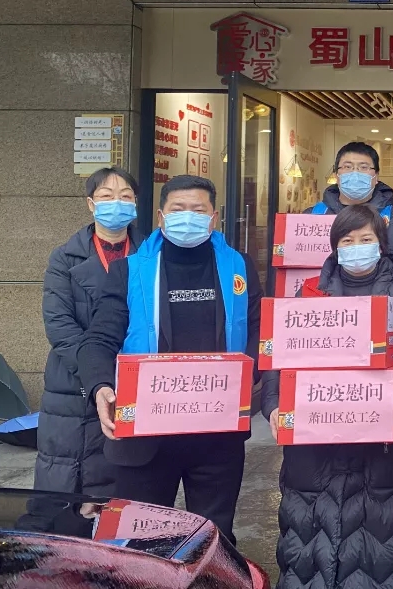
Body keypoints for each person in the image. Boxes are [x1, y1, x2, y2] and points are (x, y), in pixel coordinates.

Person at [77, 175, 262, 544]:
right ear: (161, 216)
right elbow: (98, 339)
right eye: (178, 209)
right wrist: (100, 386)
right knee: (138, 541)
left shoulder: (239, 267)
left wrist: (249, 377)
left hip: (216, 434)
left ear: (214, 217)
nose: (188, 216)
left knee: (214, 539)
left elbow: (259, 331)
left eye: (198, 209)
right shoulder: (129, 270)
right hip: (145, 436)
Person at [261, 204, 393, 588]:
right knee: (310, 552)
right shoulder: (308, 293)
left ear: (382, 244)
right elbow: (279, 355)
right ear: (335, 246)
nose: (357, 247)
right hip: (315, 451)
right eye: (347, 240)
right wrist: (273, 405)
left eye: (366, 239)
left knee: (387, 554)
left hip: (385, 452)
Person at [35, 167, 143, 497]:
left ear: (136, 204)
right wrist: (96, 372)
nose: (117, 203)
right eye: (107, 196)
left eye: (125, 196)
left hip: (134, 380)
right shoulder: (64, 258)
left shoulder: (150, 255)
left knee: (126, 486)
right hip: (73, 385)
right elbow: (59, 324)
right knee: (70, 481)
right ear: (91, 204)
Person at [307, 141, 393, 278]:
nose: (355, 173)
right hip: (320, 290)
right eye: (347, 167)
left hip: (378, 288)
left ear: (376, 176)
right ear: (336, 175)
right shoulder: (313, 214)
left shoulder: (392, 215)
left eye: (363, 167)